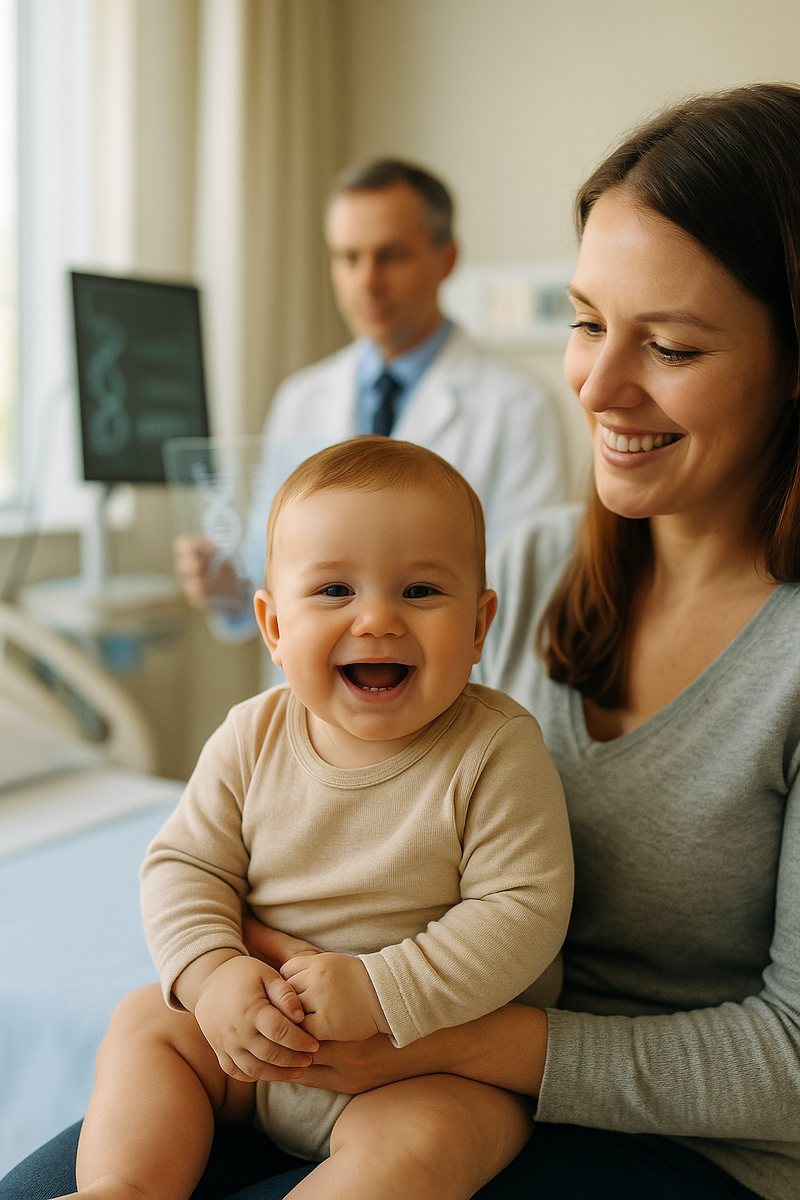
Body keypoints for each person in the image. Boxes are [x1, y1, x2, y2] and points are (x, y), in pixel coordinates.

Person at [8, 80, 800, 1200]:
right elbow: (262, 795)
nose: (597, 385)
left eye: (667, 344)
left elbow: (789, 1058)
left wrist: (415, 1023)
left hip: (630, 1121)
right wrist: (225, 976)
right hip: (297, 1039)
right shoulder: (520, 567)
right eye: (582, 322)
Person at [47, 437, 572, 1200]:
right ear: (273, 626)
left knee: (425, 1144)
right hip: (256, 1047)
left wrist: (382, 989)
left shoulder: (496, 748)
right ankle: (125, 1187)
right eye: (333, 592)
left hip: (426, 1062)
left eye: (421, 591)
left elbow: (523, 912)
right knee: (145, 1023)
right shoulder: (250, 736)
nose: (378, 620)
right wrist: (211, 975)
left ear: (480, 624)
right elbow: (183, 867)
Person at [176, 158, 568, 636]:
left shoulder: (518, 407)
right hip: (314, 700)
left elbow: (525, 591)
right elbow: (273, 574)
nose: (367, 282)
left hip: (446, 701)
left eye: (391, 256)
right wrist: (227, 582)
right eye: (349, 257)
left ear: (445, 260)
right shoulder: (300, 399)